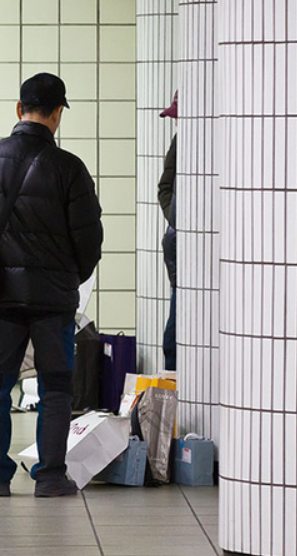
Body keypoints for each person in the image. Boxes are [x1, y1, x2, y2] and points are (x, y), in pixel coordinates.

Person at [0, 73, 103, 497]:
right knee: (56, 387)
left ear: (20, 109)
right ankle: (51, 476)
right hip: (53, 299)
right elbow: (89, 240)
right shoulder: (70, 169)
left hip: (0, 296)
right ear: (57, 114)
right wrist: (70, 276)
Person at [157, 92, 178, 371]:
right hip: (178, 245)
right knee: (173, 335)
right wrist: (176, 218)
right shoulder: (180, 142)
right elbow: (165, 187)